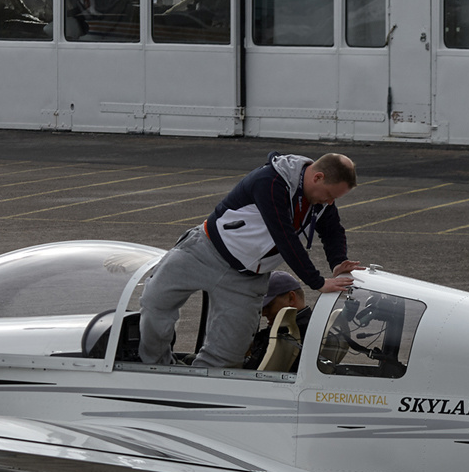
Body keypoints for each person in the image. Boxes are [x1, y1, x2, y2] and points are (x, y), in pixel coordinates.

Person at [138, 152, 363, 368]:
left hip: (246, 278)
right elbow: (283, 236)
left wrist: (338, 262)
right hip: (203, 252)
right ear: (318, 177)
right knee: (155, 302)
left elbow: (333, 230)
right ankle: (155, 368)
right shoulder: (270, 181)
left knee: (229, 356)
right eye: (331, 195)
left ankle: (198, 388)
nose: (331, 202)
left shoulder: (321, 202)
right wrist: (317, 282)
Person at [243, 271, 311, 369]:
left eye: (268, 306)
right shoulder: (312, 327)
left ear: (291, 298)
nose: (263, 313)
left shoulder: (281, 334)